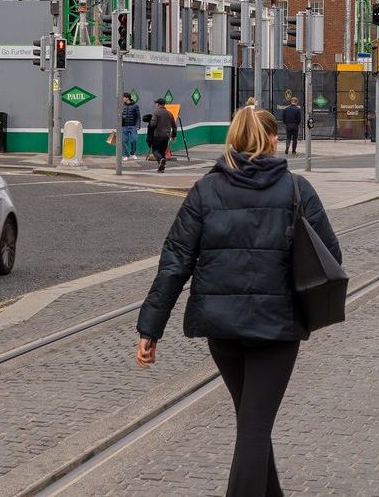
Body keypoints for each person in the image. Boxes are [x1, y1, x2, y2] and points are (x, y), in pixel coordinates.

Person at [136, 105, 342, 497]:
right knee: (254, 426)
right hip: (277, 328)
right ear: (272, 140)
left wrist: (150, 329)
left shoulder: (205, 190)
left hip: (222, 327)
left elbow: (175, 262)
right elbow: (331, 255)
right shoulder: (297, 189)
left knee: (252, 422)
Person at [147, 97, 178, 174]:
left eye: (156, 104)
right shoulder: (170, 113)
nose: (155, 105)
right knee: (163, 152)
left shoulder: (156, 112)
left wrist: (150, 122)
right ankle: (161, 168)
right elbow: (174, 126)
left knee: (155, 151)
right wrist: (173, 136)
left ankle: (161, 160)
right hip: (166, 136)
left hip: (157, 135)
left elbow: (153, 124)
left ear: (158, 104)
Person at [120, 92, 143, 160]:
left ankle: (132, 153)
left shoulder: (135, 106)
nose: (122, 99)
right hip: (124, 126)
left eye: (123, 97)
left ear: (127, 98)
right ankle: (126, 155)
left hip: (133, 126)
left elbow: (138, 117)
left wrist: (138, 125)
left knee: (134, 140)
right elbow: (119, 116)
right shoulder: (121, 105)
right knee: (124, 141)